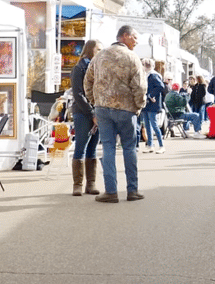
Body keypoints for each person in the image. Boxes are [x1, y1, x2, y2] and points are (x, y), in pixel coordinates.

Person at [83, 25, 147, 203]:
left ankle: (111, 191)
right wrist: (138, 106)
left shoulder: (99, 56)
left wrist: (95, 101)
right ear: (124, 36)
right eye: (134, 37)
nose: (136, 40)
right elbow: (140, 86)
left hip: (103, 109)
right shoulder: (132, 57)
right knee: (129, 148)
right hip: (126, 109)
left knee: (108, 148)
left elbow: (87, 82)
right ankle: (132, 190)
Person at [70, 39, 101, 196]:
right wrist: (91, 113)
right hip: (82, 112)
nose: (100, 52)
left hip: (97, 111)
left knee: (93, 148)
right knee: (81, 146)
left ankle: (91, 183)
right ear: (90, 49)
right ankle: (78, 184)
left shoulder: (98, 67)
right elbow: (78, 94)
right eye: (98, 49)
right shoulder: (79, 67)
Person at [140, 58, 166, 154]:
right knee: (148, 125)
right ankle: (150, 145)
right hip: (147, 104)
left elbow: (161, 86)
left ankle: (161, 145)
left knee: (154, 125)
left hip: (152, 104)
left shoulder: (153, 75)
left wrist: (151, 95)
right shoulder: (148, 75)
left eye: (143, 64)